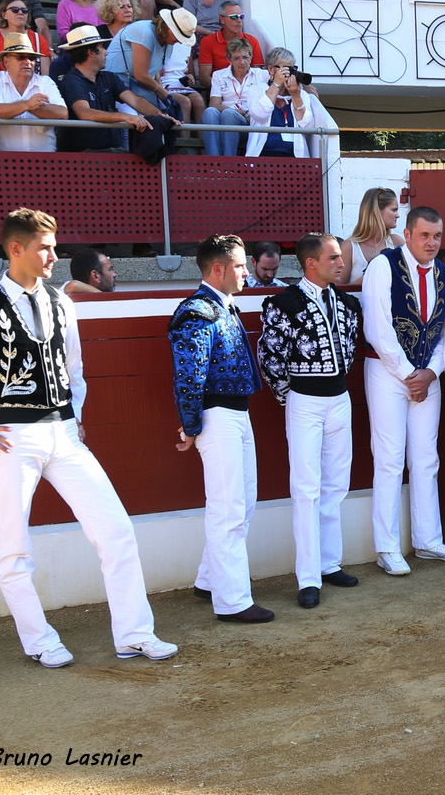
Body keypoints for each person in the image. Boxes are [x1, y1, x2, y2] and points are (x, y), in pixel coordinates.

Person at [0, 208, 177, 668]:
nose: (54, 256)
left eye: (53, 247)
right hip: (12, 437)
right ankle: (39, 640)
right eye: (44, 248)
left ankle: (134, 634)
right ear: (16, 249)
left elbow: (74, 370)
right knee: (14, 548)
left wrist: (77, 416)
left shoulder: (60, 301)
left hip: (65, 434)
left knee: (116, 530)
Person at [168, 235, 274, 625]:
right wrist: (192, 425)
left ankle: (210, 579)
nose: (246, 272)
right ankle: (232, 601)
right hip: (217, 417)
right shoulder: (197, 312)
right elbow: (189, 376)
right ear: (219, 269)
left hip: (235, 414)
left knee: (242, 502)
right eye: (241, 265)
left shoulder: (220, 306)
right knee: (228, 508)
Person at [258, 232, 363, 610]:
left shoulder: (347, 303)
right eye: (333, 258)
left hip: (339, 399)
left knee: (336, 484)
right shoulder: (284, 303)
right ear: (311, 264)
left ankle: (329, 563)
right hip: (304, 400)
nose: (341, 263)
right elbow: (270, 356)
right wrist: (291, 398)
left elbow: (349, 351)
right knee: (306, 489)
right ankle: (308, 577)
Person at [361, 206, 445, 576]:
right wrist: (410, 375)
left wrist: (432, 372)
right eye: (424, 235)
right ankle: (387, 548)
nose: (432, 242)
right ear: (407, 235)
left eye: (437, 236)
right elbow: (378, 329)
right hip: (387, 373)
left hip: (428, 376)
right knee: (389, 459)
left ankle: (427, 540)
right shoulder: (382, 266)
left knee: (426, 458)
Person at [56, 23, 162, 153]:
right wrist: (125, 117)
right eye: (102, 48)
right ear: (91, 53)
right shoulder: (71, 80)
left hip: (113, 153)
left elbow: (136, 101)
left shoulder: (109, 77)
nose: (106, 52)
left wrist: (160, 115)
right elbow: (84, 112)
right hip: (84, 157)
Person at [0, 33, 66, 152]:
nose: (27, 62)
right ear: (6, 61)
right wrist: (26, 105)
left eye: (32, 58)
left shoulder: (45, 81)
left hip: (45, 159)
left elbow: (62, 113)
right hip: (0, 158)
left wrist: (31, 107)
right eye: (20, 57)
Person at [247, 48, 337, 158]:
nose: (290, 73)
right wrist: (276, 85)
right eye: (286, 69)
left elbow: (308, 127)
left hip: (295, 159)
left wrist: (296, 95)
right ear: (271, 70)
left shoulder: (302, 95)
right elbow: (260, 115)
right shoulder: (257, 90)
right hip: (261, 156)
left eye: (292, 69)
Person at [203, 37, 265, 157]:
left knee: (228, 114)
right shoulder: (219, 75)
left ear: (251, 57)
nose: (242, 62)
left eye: (245, 57)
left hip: (249, 123)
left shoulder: (261, 75)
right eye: (237, 58)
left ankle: (228, 163)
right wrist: (239, 112)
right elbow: (214, 105)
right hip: (229, 118)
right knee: (209, 112)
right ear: (229, 60)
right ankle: (213, 161)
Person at [338, 187, 404, 286]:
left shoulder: (396, 242)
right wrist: (368, 277)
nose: (397, 215)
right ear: (377, 211)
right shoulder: (350, 247)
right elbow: (337, 289)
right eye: (394, 210)